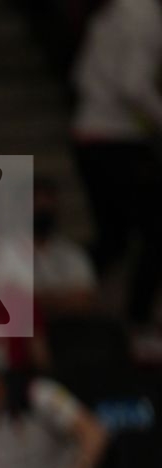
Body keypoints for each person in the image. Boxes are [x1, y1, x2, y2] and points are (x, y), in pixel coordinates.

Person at [70, 0, 162, 331]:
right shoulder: (143, 16)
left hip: (91, 134)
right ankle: (138, 321)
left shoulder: (115, 12)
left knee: (114, 238)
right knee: (153, 231)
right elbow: (132, 84)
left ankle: (62, 294)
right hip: (114, 139)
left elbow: (80, 74)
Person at [30, 177, 100, 317]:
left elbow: (85, 299)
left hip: (68, 329)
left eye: (47, 205)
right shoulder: (7, 252)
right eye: (37, 204)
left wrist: (39, 300)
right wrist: (62, 298)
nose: (43, 210)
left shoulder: (73, 253)